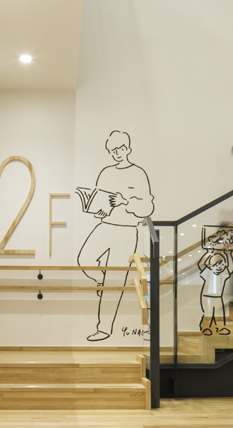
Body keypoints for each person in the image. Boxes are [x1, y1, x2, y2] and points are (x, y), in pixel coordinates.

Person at [77, 130, 155, 342]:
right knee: (84, 259)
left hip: (127, 230)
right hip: (105, 225)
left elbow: (147, 207)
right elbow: (102, 201)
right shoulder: (105, 173)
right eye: (113, 151)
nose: (117, 153)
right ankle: (101, 281)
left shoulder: (138, 173)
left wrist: (126, 202)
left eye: (120, 149)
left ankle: (104, 328)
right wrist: (98, 209)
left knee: (115, 279)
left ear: (128, 149)